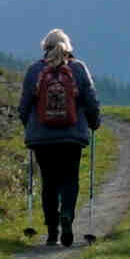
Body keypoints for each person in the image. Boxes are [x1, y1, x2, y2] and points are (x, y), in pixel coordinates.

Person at [18, 28, 102, 246]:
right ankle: (66, 214)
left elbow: (24, 106)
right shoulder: (78, 68)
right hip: (71, 137)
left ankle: (52, 231)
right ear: (68, 48)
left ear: (44, 47)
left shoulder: (34, 70)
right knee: (69, 179)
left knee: (49, 182)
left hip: (42, 138)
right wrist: (94, 123)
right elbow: (91, 101)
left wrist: (29, 126)